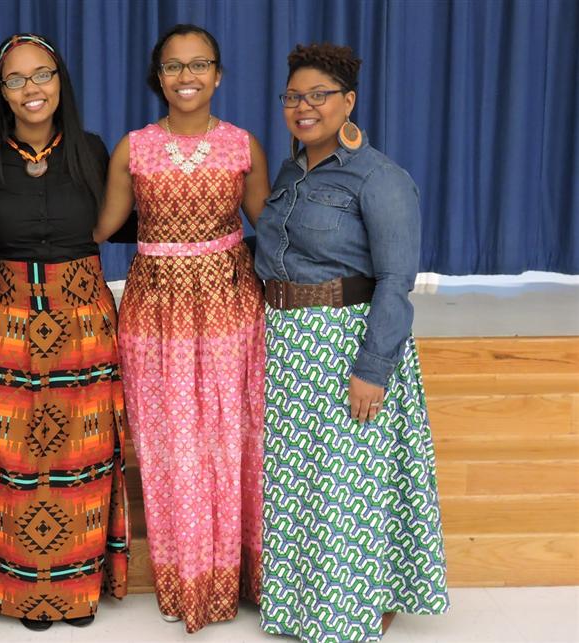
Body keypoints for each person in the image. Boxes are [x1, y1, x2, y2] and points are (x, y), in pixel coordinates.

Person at [254, 43, 450, 642]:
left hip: (348, 341)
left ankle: (359, 607)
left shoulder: (380, 177)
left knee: (353, 485)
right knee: (304, 481)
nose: (304, 107)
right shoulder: (291, 170)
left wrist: (373, 367)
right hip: (289, 346)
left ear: (349, 102)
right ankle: (302, 603)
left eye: (319, 96)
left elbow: (396, 280)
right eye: (294, 97)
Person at [93, 23, 270, 634]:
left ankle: (240, 577)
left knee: (231, 440)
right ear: (158, 77)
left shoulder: (243, 145)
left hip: (228, 305)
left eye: (200, 65)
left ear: (218, 75)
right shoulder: (133, 147)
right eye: (173, 66)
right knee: (171, 449)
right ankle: (188, 580)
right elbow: (98, 228)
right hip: (155, 313)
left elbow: (273, 232)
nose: (187, 76)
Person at [0, 33, 130, 631]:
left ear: (61, 81)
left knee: (84, 451)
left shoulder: (92, 150)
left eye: (42, 75)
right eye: (17, 79)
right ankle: (21, 590)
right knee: (10, 454)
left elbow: (130, 224)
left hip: (83, 320)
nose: (32, 89)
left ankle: (77, 587)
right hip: (5, 323)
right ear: (0, 92)